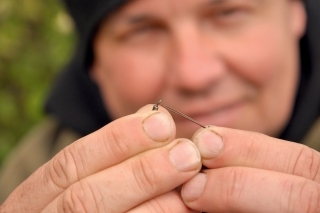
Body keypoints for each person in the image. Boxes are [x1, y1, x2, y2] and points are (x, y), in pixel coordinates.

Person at [1, 0, 320, 211]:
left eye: (227, 13)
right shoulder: (30, 179)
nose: (194, 74)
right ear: (93, 61)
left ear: (296, 10)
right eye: (143, 30)